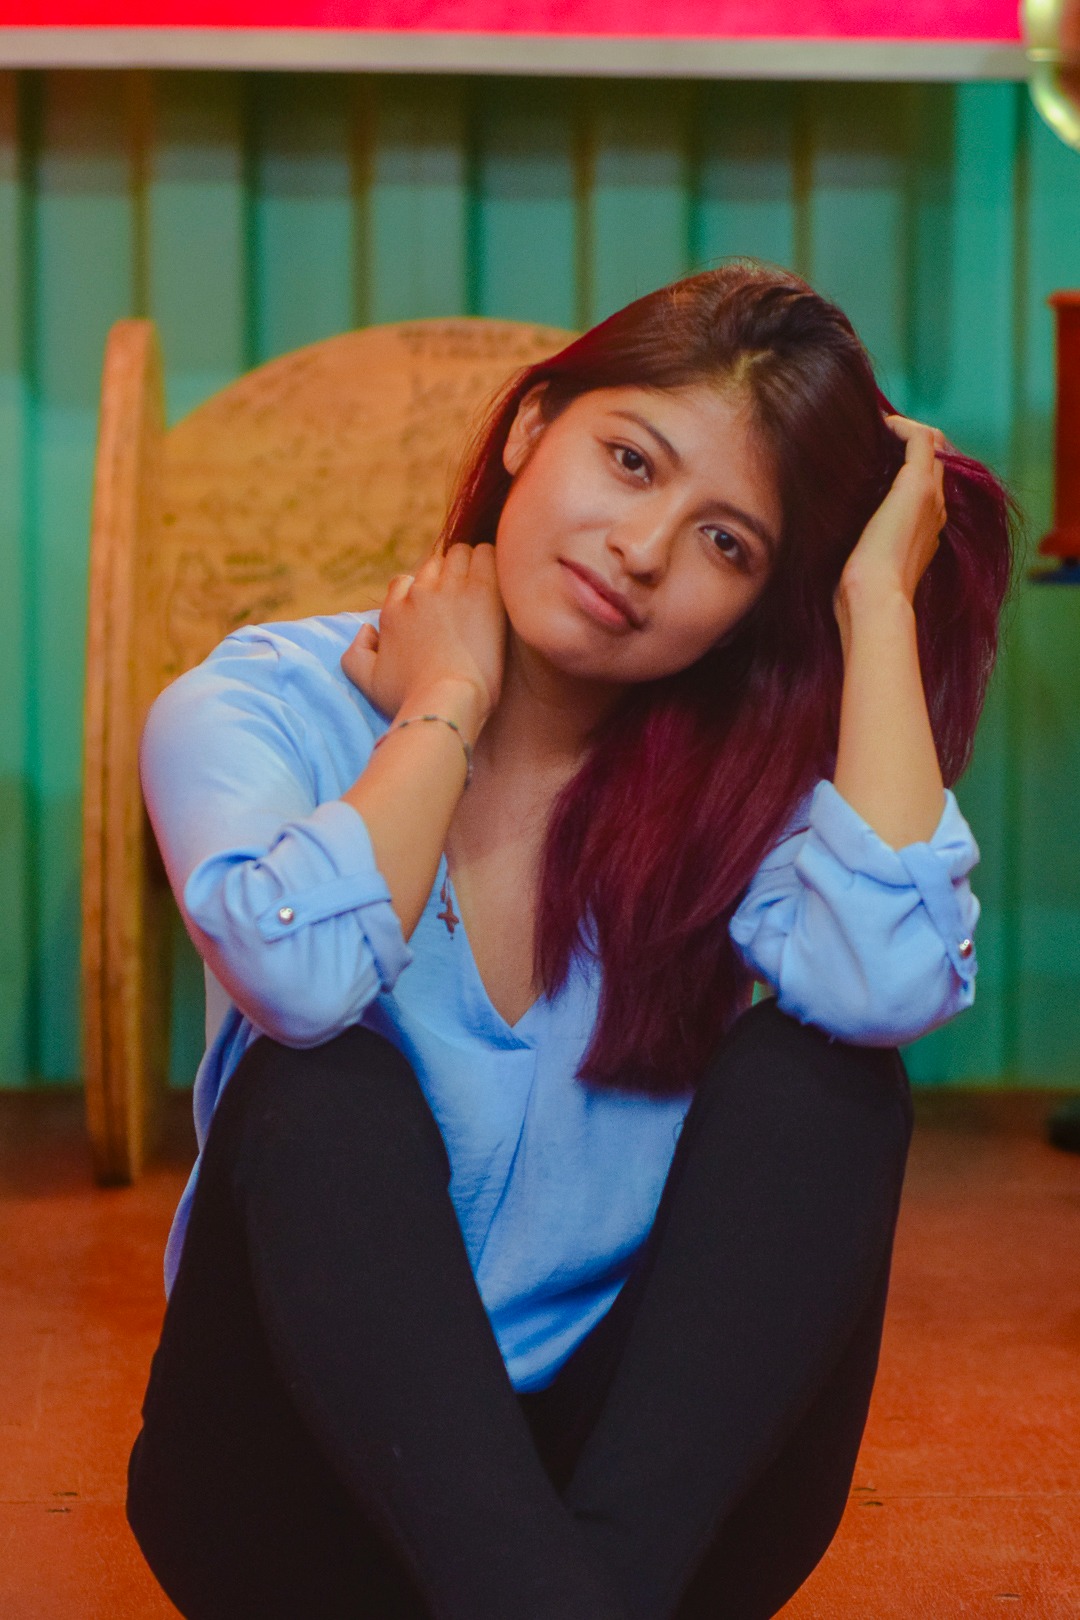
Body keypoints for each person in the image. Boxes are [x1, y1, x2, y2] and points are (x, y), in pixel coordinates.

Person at [126, 260, 1014, 1620]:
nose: (645, 549)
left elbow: (889, 980)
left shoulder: (741, 796)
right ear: (534, 426)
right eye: (631, 460)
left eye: (731, 543)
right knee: (318, 1085)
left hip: (624, 1502)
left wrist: (877, 604)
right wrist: (450, 697)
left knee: (828, 1079)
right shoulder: (268, 707)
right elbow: (298, 979)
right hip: (300, 1485)